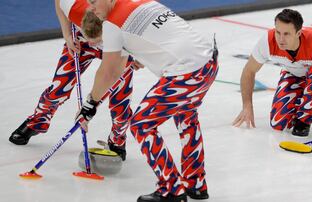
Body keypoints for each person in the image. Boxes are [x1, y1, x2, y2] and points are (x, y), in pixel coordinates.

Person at [76, 0, 218, 201]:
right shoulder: (142, 1)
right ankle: (195, 184)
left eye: (94, 1)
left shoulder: (111, 24)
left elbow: (110, 71)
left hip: (186, 72)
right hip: (208, 62)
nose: (92, 8)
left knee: (142, 125)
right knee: (186, 118)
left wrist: (90, 104)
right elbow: (156, 36)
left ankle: (171, 190)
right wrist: (139, 55)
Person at [8, 0, 142, 160]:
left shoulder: (125, 22)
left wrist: (140, 56)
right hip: (80, 42)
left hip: (117, 48)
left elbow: (108, 73)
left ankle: (117, 139)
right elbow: (59, 2)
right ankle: (38, 122)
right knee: (58, 88)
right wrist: (67, 34)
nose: (94, 44)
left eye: (96, 40)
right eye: (91, 39)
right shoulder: (73, 6)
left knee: (120, 102)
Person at [232, 9, 312, 147]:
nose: (280, 39)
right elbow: (249, 71)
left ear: (298, 33)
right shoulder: (268, 41)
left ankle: (303, 120)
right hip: (294, 75)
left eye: (286, 34)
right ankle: (298, 104)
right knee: (277, 124)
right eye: (278, 32)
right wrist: (247, 105)